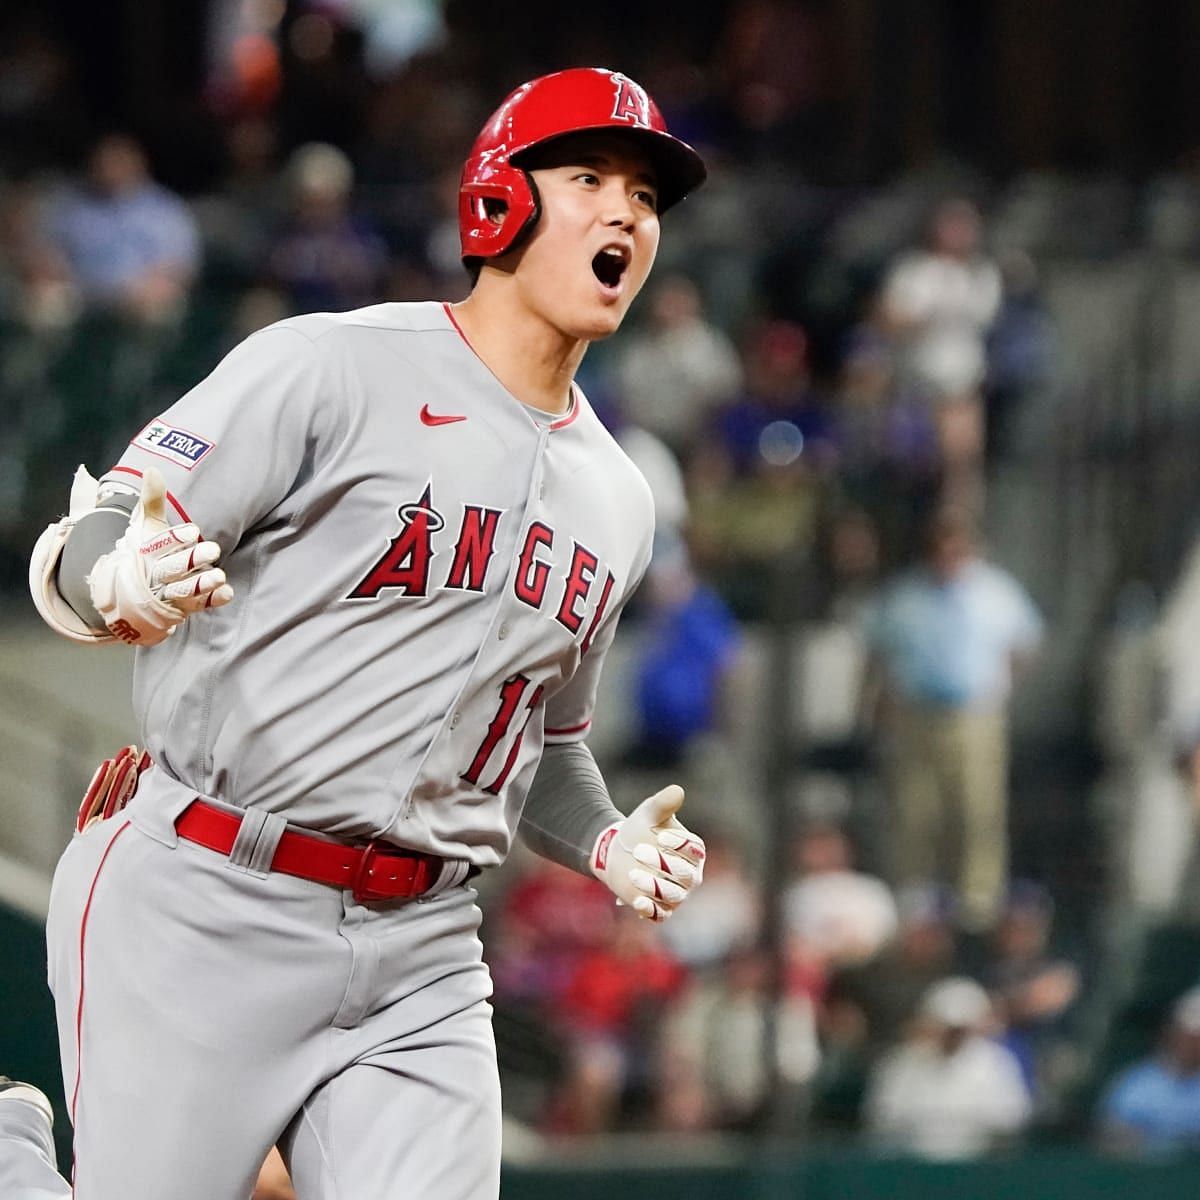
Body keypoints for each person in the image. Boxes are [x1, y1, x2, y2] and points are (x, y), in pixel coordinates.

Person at [21, 67, 708, 1200]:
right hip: (208, 896)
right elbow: (97, 531)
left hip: (424, 948)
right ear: (502, 203)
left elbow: (542, 743)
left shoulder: (622, 499)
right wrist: (120, 579)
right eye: (589, 177)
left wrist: (606, 842)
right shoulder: (332, 365)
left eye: (644, 194)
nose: (626, 212)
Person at [865, 505, 1043, 930]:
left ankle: (977, 905)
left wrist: (1001, 691)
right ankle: (915, 899)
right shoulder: (906, 596)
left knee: (977, 807)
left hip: (974, 715)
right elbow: (879, 653)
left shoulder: (996, 592)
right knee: (915, 808)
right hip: (916, 714)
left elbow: (1025, 644)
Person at [863, 976, 1032, 1159]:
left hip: (979, 1167)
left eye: (960, 1029)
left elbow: (1012, 1119)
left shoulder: (998, 1062)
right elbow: (882, 1117)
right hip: (911, 1168)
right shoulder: (899, 1063)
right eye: (947, 1027)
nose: (953, 1036)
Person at [1097, 985, 1200, 1156]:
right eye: (1188, 1034)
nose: (1192, 1043)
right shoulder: (1138, 1082)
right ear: (1173, 1033)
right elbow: (1109, 1134)